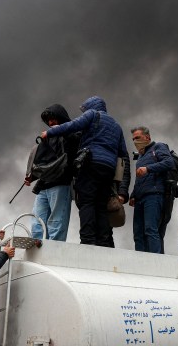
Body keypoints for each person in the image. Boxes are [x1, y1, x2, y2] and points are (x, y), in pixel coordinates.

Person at [41, 96, 130, 247]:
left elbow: (74, 125)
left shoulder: (93, 114)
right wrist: (123, 188)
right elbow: (124, 155)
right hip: (108, 169)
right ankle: (102, 243)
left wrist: (49, 133)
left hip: (90, 164)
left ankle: (87, 241)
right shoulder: (116, 125)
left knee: (87, 202)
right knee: (101, 206)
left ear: (91, 107)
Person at [25, 104, 80, 241]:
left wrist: (61, 131)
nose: (50, 123)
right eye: (48, 121)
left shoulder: (73, 133)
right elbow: (44, 162)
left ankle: (54, 251)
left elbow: (73, 150)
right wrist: (32, 177)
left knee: (57, 222)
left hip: (62, 183)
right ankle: (37, 247)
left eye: (53, 119)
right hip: (44, 185)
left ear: (61, 117)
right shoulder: (46, 138)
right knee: (37, 221)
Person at [126, 126, 175, 254]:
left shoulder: (158, 147)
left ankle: (156, 262)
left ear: (147, 137)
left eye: (137, 137)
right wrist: (133, 195)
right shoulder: (140, 158)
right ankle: (140, 263)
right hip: (140, 199)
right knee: (138, 233)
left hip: (154, 195)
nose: (135, 141)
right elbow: (139, 179)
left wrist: (148, 168)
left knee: (151, 230)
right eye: (133, 139)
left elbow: (169, 162)